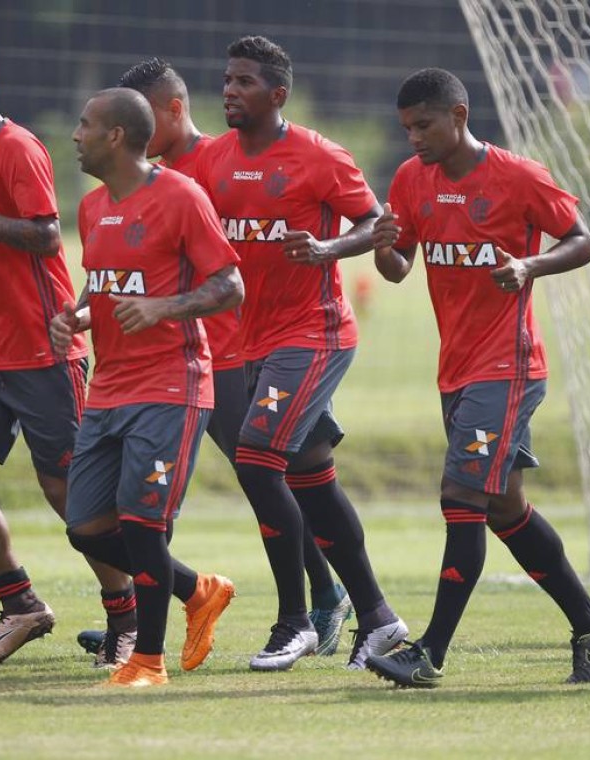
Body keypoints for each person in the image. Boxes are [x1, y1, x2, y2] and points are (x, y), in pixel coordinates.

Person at [70, 57, 353, 661]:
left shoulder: (213, 165)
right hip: (204, 352)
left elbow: (238, 260)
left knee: (267, 478)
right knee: (160, 500)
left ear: (168, 111)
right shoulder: (134, 184)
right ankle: (157, 617)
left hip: (229, 354)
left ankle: (322, 602)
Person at [366, 68, 590, 688]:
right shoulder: (411, 180)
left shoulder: (519, 176)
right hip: (456, 369)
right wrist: (383, 245)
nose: (413, 139)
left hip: (507, 368)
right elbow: (399, 268)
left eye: (423, 125)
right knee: (505, 508)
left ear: (459, 115)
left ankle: (429, 652)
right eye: (406, 129)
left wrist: (530, 264)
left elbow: (583, 241)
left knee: (461, 498)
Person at [192, 36, 406, 671]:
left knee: (256, 458)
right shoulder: (212, 161)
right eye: (227, 80)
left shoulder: (319, 156)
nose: (230, 90)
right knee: (311, 481)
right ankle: (378, 618)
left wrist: (327, 250)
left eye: (245, 82)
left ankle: (296, 621)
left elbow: (374, 224)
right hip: (252, 341)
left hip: (315, 334)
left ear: (277, 95)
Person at [0, 42, 127, 669]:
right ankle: (21, 602)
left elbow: (43, 235)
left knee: (71, 495)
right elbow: (2, 236)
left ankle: (127, 617)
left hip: (44, 352)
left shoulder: (17, 148)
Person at [52, 87, 244, 687]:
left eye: (84, 124)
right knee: (84, 525)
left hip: (171, 386)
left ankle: (148, 661)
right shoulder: (89, 208)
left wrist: (163, 308)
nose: (75, 135)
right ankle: (197, 589)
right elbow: (103, 282)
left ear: (114, 136)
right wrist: (79, 314)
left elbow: (230, 286)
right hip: (109, 387)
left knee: (141, 525)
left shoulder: (181, 197)